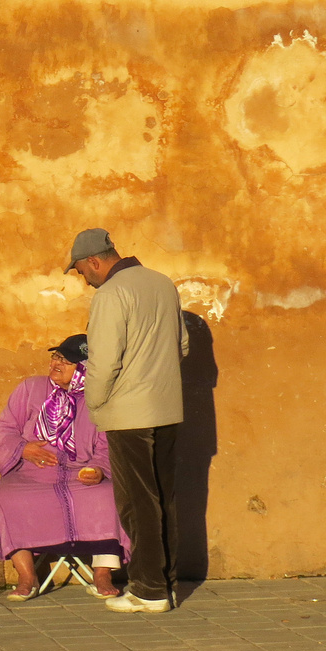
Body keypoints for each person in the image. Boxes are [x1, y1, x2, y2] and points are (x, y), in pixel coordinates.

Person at [66, 228, 188, 613]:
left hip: (128, 412)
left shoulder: (111, 294)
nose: (85, 279)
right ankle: (164, 584)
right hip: (166, 407)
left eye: (83, 272)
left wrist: (95, 405)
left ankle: (148, 590)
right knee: (163, 497)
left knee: (138, 501)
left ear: (94, 262)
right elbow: (182, 344)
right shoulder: (162, 283)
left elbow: (103, 362)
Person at [0, 334, 127, 600]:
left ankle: (102, 573)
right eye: (56, 356)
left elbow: (106, 444)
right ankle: (27, 575)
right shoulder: (31, 389)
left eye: (67, 361)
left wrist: (98, 470)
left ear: (86, 368)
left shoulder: (99, 400)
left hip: (81, 475)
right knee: (6, 496)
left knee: (109, 495)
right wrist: (23, 448)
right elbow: (5, 427)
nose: (56, 364)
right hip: (32, 475)